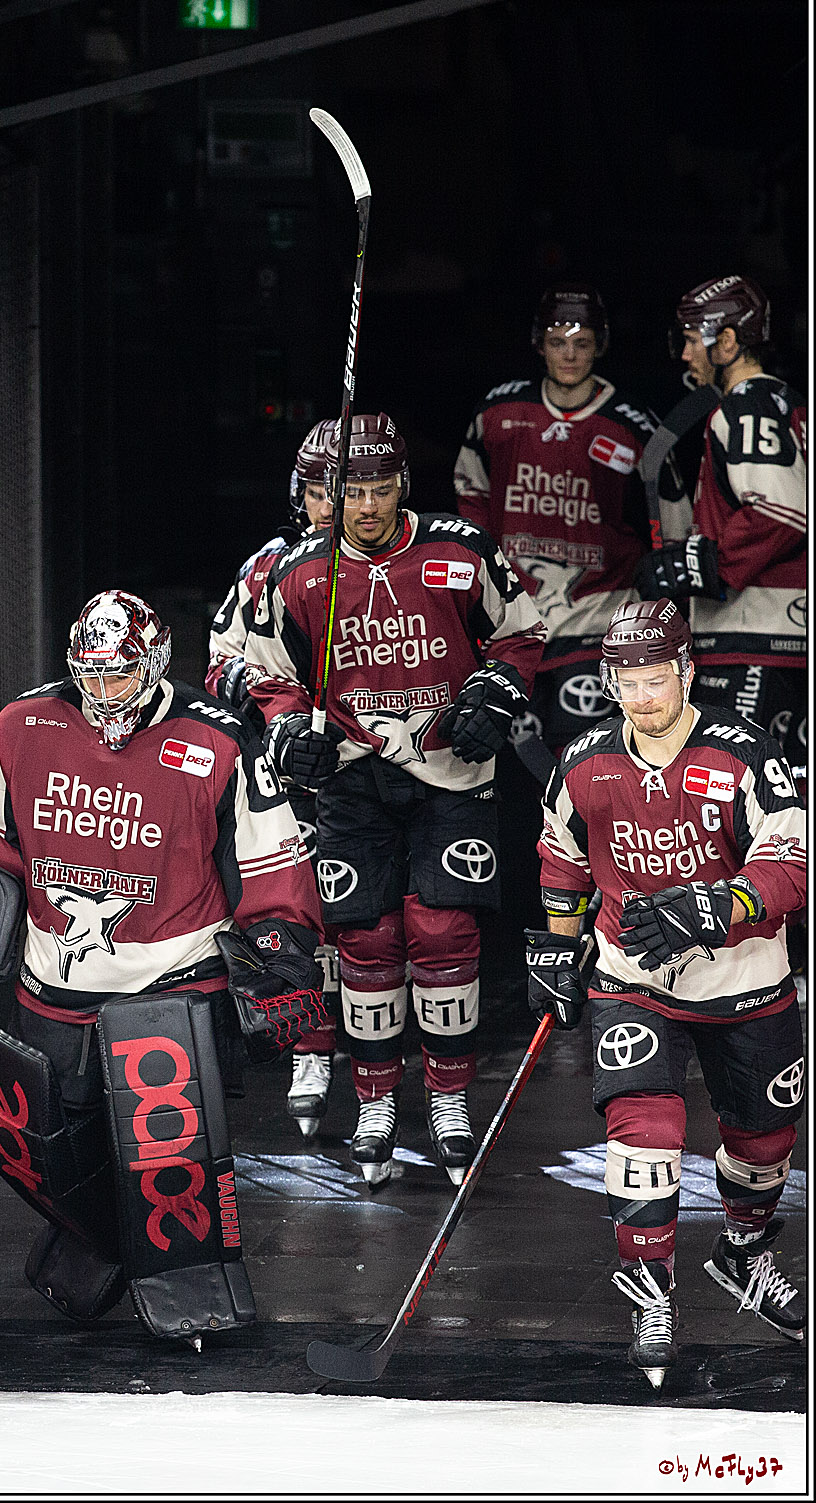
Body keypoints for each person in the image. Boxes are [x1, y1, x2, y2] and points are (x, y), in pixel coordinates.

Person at [0, 590, 325, 1343]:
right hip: (54, 989)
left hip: (171, 987)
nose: (105, 693)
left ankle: (193, 1282)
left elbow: (275, 868)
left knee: (170, 1161)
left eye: (120, 675)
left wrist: (283, 958)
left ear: (156, 661)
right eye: (91, 676)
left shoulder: (220, 741)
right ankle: (99, 1244)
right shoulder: (25, 724)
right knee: (53, 1154)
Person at [244, 413, 547, 1187]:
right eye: (352, 491)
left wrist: (498, 689)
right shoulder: (299, 572)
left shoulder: (460, 548)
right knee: (368, 941)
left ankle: (449, 1099)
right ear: (328, 493)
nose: (368, 506)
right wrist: (286, 736)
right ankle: (375, 1100)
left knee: (443, 931)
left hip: (451, 771)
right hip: (350, 777)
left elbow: (520, 633)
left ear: (403, 484)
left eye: (380, 489)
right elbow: (268, 674)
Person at [528, 597, 806, 1389]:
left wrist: (717, 903)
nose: (643, 696)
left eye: (657, 679)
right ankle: (654, 1299)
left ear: (687, 670)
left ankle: (743, 1255)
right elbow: (561, 856)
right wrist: (555, 940)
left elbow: (793, 863)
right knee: (643, 1140)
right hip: (634, 981)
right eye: (628, 681)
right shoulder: (583, 759)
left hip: (746, 982)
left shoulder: (745, 755)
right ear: (609, 679)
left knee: (763, 1146)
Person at [453, 286, 688, 752]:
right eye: (558, 341)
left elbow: (672, 522)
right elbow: (470, 494)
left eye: (582, 343)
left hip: (598, 622)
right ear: (538, 343)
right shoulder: (498, 411)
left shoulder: (636, 424)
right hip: (515, 620)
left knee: (586, 760)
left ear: (600, 345)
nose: (569, 354)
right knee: (504, 767)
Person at [207, 420, 342, 1137]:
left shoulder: (398, 564)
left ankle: (386, 1068)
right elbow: (219, 660)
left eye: (342, 491)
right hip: (291, 771)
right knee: (300, 911)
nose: (329, 505)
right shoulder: (269, 565)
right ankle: (310, 1050)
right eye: (317, 491)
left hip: (381, 764)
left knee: (382, 926)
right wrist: (277, 711)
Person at [635, 275, 807, 778]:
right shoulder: (789, 404)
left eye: (692, 339)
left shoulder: (747, 403)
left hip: (758, 638)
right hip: (783, 635)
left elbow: (781, 510)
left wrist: (703, 563)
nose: (685, 355)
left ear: (727, 341)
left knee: (749, 801)